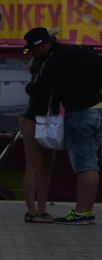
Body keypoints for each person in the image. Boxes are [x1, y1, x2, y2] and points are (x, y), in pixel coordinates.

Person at [22, 26, 101, 225]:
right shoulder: (79, 52)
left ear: (41, 46)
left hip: (75, 113)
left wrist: (30, 87)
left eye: (33, 49)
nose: (32, 54)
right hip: (96, 109)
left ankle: (78, 212)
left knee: (83, 164)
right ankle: (87, 210)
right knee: (91, 163)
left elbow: (39, 89)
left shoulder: (55, 60)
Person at [19, 53, 58, 224]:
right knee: (39, 167)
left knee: (38, 167)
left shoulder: (41, 68)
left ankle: (37, 210)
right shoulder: (46, 68)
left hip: (38, 118)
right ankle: (34, 210)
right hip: (42, 119)